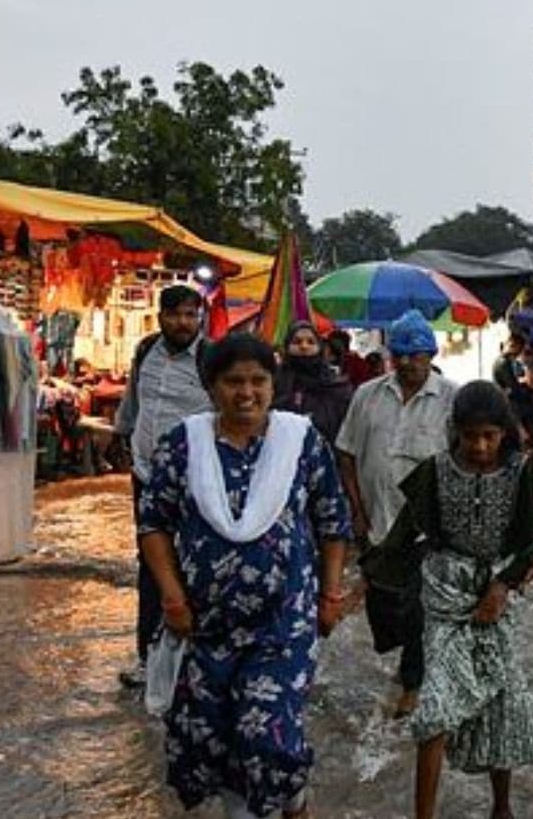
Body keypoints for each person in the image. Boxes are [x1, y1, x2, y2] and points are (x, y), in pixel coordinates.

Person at [137, 334, 351, 818]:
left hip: (282, 625)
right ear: (211, 386)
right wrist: (171, 597)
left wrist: (331, 592)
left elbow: (333, 520)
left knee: (267, 736)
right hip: (203, 625)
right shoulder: (184, 443)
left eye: (258, 381)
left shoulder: (300, 441)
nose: (247, 393)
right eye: (233, 382)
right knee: (209, 737)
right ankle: (262, 805)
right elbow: (153, 522)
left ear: (273, 385)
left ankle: (288, 796)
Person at [362, 382, 533, 819]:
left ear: (504, 431)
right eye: (470, 436)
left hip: (495, 601)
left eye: (489, 435)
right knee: (435, 706)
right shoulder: (436, 470)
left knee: (499, 700)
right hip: (444, 596)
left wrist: (503, 585)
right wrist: (361, 586)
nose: (480, 446)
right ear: (455, 432)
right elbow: (403, 533)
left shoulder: (522, 472)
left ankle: (502, 807)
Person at [337, 310, 460, 716]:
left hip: (427, 529)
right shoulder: (367, 395)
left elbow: (467, 461)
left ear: (431, 354)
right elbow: (348, 454)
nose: (407, 362)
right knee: (385, 609)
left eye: (416, 355)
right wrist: (356, 509)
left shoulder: (451, 399)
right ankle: (409, 657)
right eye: (400, 354)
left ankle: (413, 682)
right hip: (376, 523)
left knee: (419, 607)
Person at [114, 285, 212, 687]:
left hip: (195, 480)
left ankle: (195, 659)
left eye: (190, 315)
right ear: (160, 316)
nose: (182, 322)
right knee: (150, 566)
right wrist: (120, 434)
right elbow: (133, 400)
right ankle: (148, 658)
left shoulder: (211, 358)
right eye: (175, 315)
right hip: (146, 476)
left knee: (195, 565)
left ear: (200, 318)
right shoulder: (146, 350)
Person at [273, 321, 354, 444]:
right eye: (297, 342)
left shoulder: (336, 385)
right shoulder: (274, 381)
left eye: (311, 342)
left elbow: (347, 428)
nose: (304, 346)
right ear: (287, 347)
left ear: (320, 348)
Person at [493, 333, 533, 444]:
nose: (520, 353)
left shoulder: (508, 361)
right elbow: (513, 386)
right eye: (520, 349)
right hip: (509, 404)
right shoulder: (503, 363)